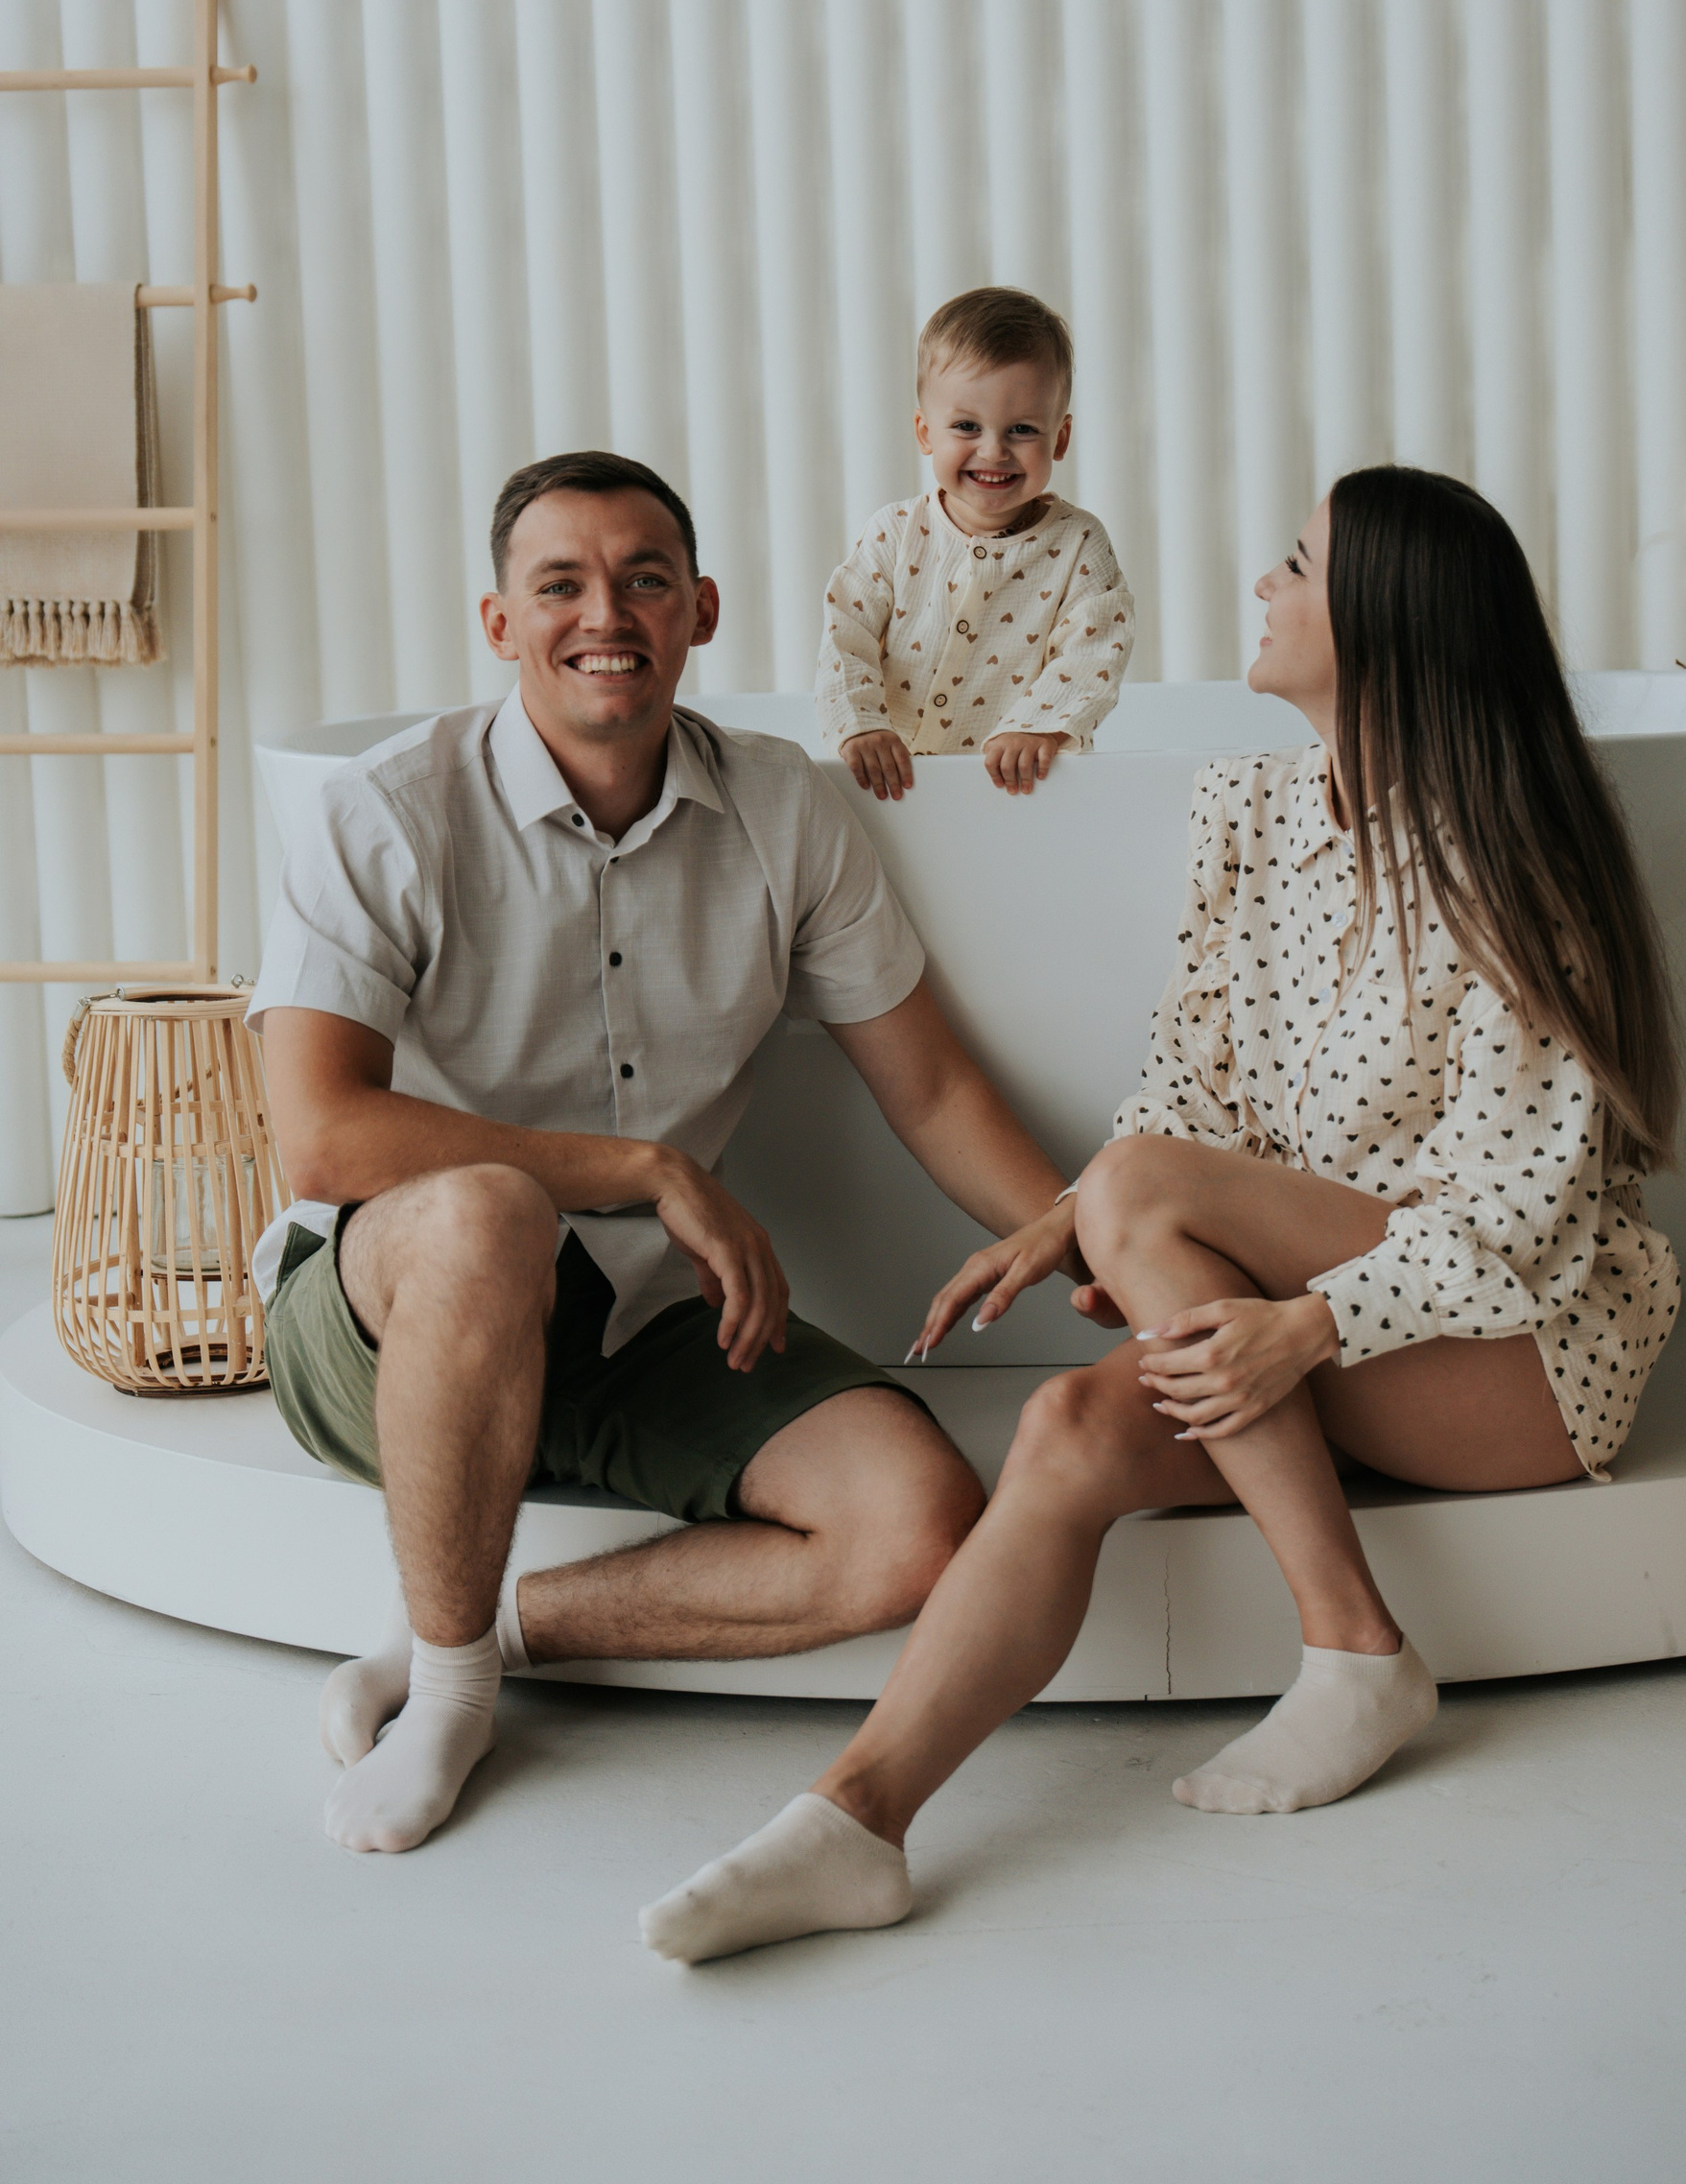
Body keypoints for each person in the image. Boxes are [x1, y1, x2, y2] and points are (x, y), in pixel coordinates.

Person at [641, 464, 1683, 1963]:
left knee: (1136, 1189)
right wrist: (1068, 1222)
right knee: (1068, 1426)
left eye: (1296, 567)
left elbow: (1530, 1221)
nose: (1263, 586)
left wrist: (1303, 1324)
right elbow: (1189, 1088)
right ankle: (855, 1822)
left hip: (1518, 1357)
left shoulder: (1513, 870)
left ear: (1387, 623)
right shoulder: (1249, 811)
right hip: (1326, 1327)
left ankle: (1355, 1646)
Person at [249, 450, 1074, 1855]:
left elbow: (933, 1090)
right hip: (388, 1317)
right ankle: (447, 1700)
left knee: (919, 1526)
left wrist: (1076, 1229)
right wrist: (643, 1170)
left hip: (644, 1316)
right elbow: (322, 1135)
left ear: (699, 609)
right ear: (500, 622)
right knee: (488, 1214)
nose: (604, 615)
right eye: (558, 585)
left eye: (643, 580)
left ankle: (490, 1630)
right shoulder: (387, 808)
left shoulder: (786, 809)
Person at [816, 286, 1134, 799]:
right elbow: (845, 636)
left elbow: (1095, 649)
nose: (993, 451)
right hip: (891, 786)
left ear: (1059, 438)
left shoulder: (1079, 543)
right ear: (925, 432)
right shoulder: (893, 533)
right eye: (966, 426)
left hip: (1026, 790)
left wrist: (1039, 725)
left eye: (1022, 429)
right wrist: (860, 724)